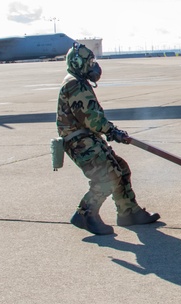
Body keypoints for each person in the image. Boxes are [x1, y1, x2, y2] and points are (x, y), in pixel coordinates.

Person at [57, 43, 159, 235]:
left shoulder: (78, 81)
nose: (94, 66)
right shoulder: (74, 84)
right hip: (79, 142)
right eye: (90, 62)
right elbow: (91, 118)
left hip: (87, 139)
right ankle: (85, 214)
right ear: (79, 63)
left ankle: (129, 212)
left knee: (120, 168)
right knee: (106, 177)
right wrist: (112, 131)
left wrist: (110, 132)